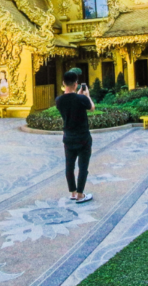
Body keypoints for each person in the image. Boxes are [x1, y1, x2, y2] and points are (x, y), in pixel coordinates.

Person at [55, 69, 94, 203]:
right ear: (76, 84)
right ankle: (80, 194)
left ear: (63, 83)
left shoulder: (59, 100)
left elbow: (70, 101)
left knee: (69, 166)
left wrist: (79, 96)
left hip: (68, 137)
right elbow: (91, 108)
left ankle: (72, 192)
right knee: (83, 167)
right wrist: (87, 95)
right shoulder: (81, 98)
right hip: (83, 137)